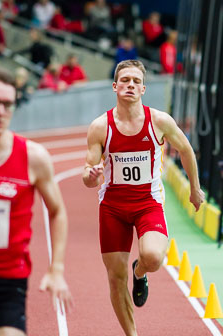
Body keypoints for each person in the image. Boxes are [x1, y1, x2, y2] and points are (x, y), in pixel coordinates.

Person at [82, 60, 205, 336]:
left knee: (153, 257)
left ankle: (140, 272)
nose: (130, 85)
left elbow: (185, 150)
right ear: (115, 86)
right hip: (112, 208)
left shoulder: (159, 121)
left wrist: (195, 189)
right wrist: (91, 176)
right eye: (125, 80)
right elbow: (88, 171)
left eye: (136, 81)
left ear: (144, 89)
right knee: (115, 279)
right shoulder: (100, 126)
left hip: (147, 204)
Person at [0, 67, 72, 336]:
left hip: (9, 279)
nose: (0, 111)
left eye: (7, 104)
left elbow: (58, 212)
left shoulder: (33, 157)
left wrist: (57, 270)